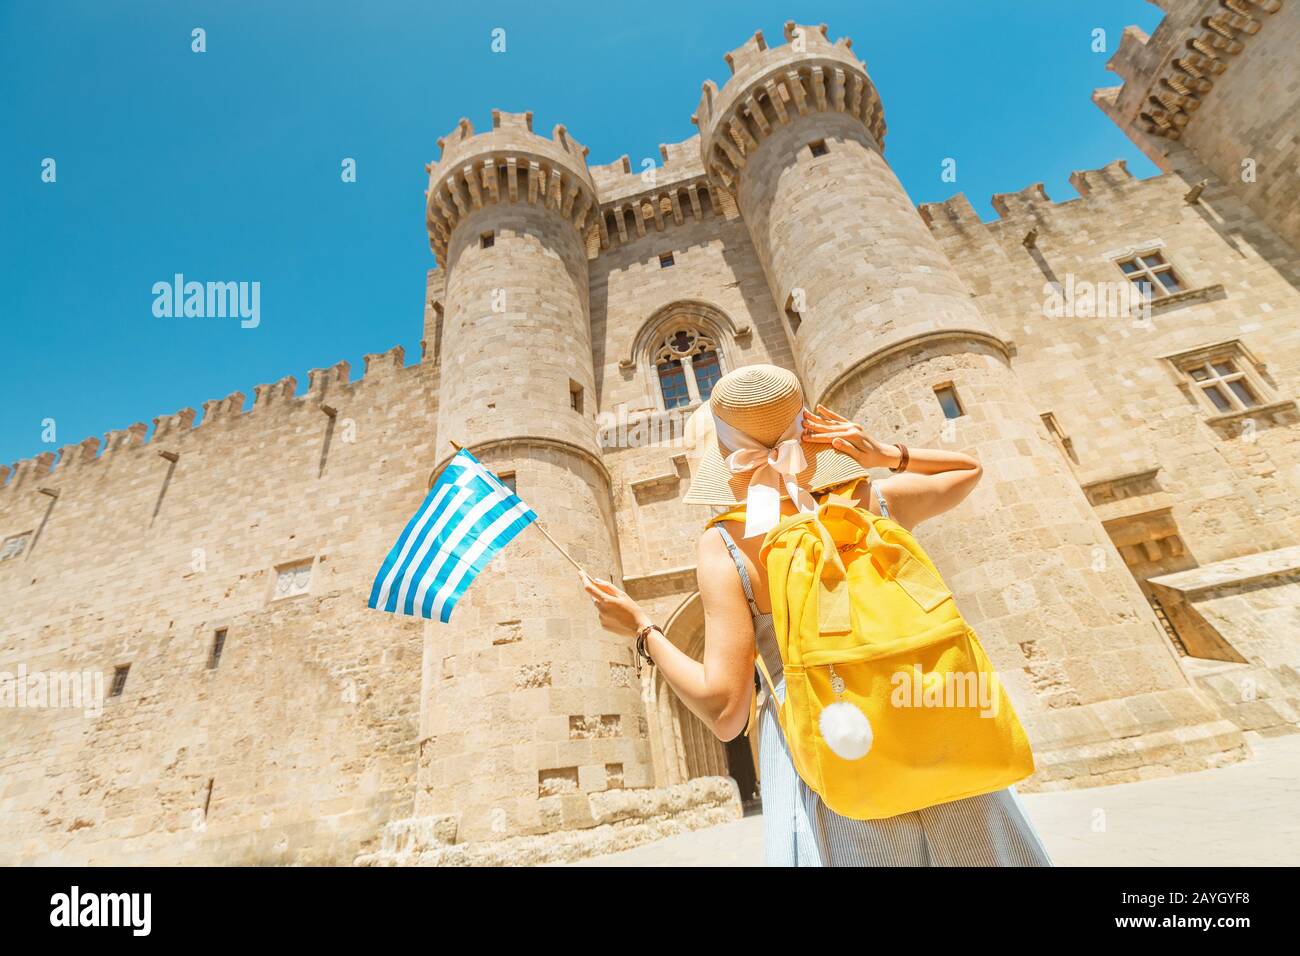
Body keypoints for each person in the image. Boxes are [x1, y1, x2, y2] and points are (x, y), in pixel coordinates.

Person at [582, 364, 1052, 866]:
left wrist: (642, 629)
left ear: (720, 455)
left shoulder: (727, 544)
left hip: (832, 748)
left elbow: (724, 713)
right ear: (811, 429)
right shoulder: (876, 501)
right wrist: (884, 455)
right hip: (937, 730)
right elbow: (966, 471)